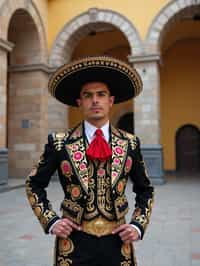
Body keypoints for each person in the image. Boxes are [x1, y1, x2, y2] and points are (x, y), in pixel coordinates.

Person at [25, 56, 154, 266]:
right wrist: (51, 221)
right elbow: (33, 183)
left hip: (117, 240)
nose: (95, 100)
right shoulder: (60, 143)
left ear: (110, 101)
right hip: (74, 241)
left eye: (101, 95)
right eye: (88, 95)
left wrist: (138, 225)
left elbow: (145, 189)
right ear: (80, 103)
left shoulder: (130, 143)